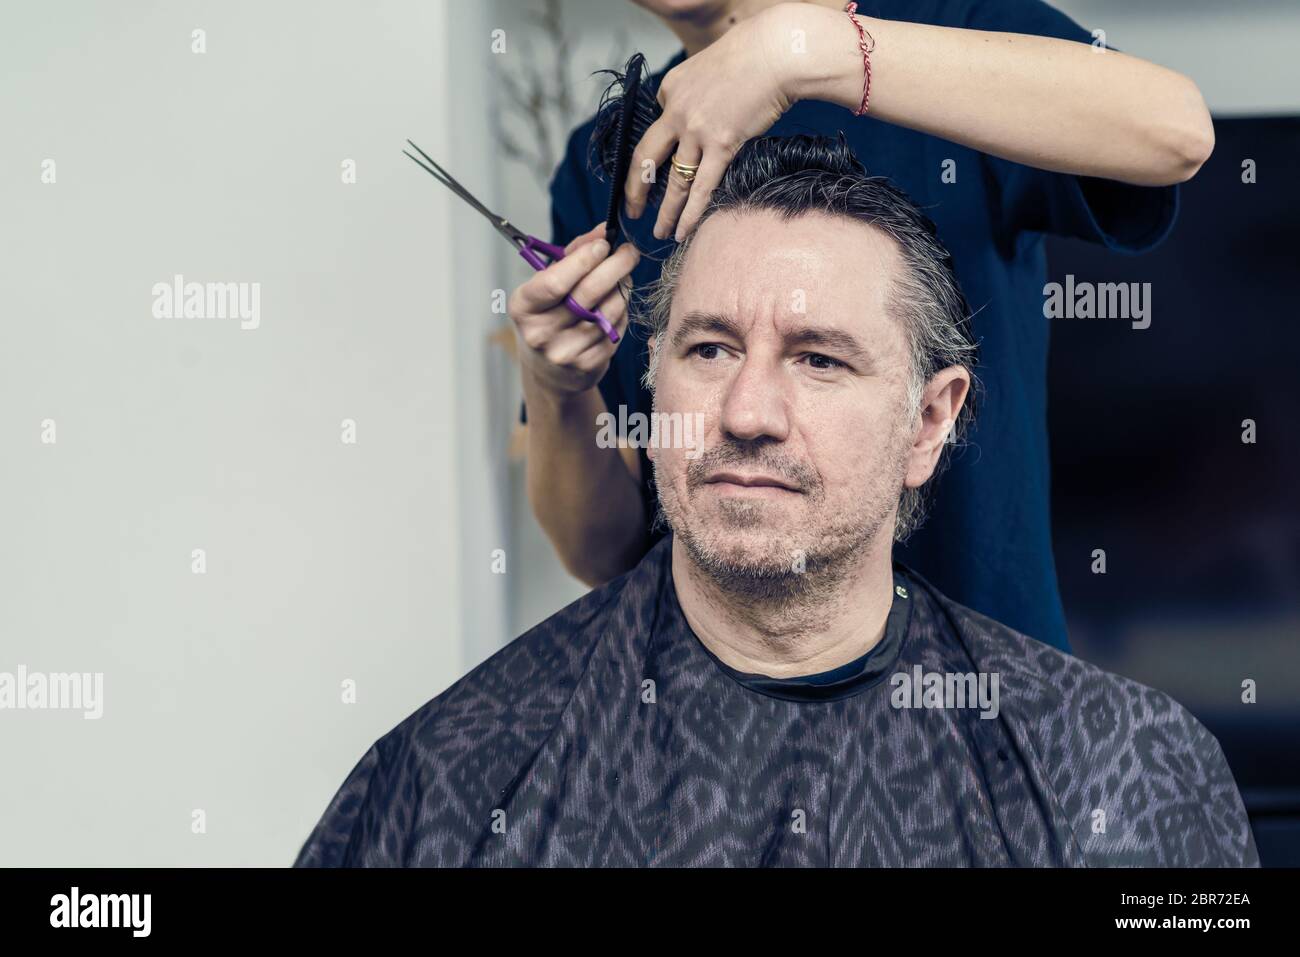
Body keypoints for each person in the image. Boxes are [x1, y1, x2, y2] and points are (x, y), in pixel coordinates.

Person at [296, 138, 1255, 867]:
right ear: (654, 383)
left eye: (820, 359)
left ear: (929, 422)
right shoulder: (456, 775)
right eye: (709, 350)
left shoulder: (1123, 771)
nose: (747, 414)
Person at [520, 0, 1216, 652]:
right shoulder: (613, 163)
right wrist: (556, 385)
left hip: (980, 700)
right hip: (710, 727)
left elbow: (1175, 130)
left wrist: (804, 53)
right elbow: (603, 551)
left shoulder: (953, 32)